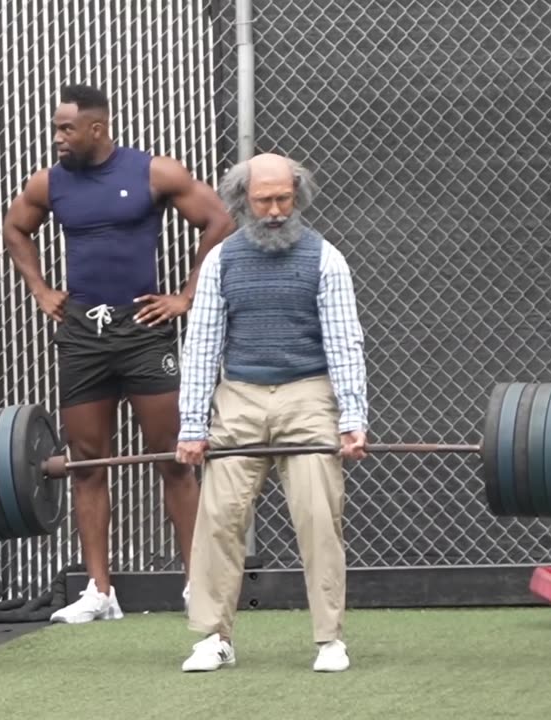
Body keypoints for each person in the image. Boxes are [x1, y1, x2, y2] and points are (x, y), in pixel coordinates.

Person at [3, 83, 236, 624]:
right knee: (87, 463)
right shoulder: (50, 182)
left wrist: (185, 295)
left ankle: (195, 582)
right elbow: (16, 229)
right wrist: (39, 289)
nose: (58, 137)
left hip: (143, 330)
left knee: (175, 459)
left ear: (97, 129)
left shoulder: (153, 172)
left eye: (66, 129)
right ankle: (100, 591)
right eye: (56, 128)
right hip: (84, 332)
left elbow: (218, 220)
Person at [174, 152, 369, 673]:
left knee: (317, 516)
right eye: (265, 200)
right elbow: (202, 346)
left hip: (307, 394)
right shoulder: (221, 261)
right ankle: (215, 636)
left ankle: (330, 639)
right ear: (244, 201)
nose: (277, 210)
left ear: (297, 196)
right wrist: (192, 426)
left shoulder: (325, 258)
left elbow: (344, 342)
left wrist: (352, 419)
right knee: (218, 518)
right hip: (239, 396)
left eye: (285, 199)